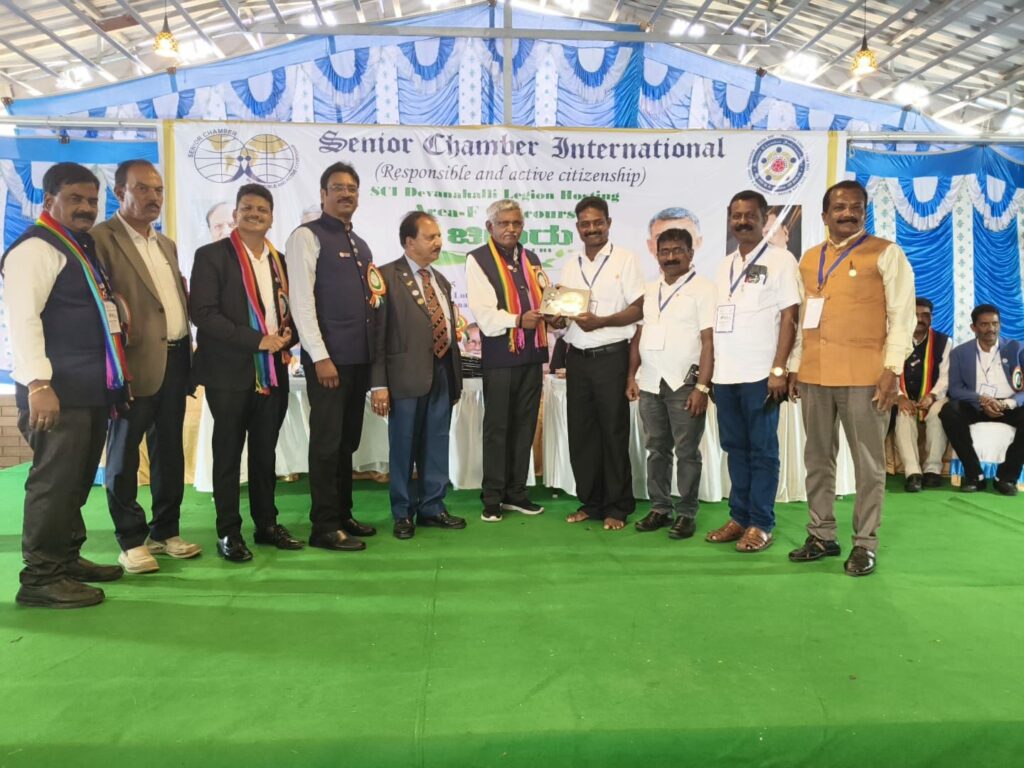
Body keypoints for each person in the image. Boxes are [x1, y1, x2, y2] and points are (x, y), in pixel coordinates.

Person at [1, 163, 128, 607]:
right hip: (55, 392)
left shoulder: (79, 245)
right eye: (75, 199)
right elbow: (23, 320)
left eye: (92, 200)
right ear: (49, 199)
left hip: (89, 388)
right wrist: (39, 384)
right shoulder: (35, 248)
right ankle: (40, 577)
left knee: (75, 481)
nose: (86, 208)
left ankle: (66, 559)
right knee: (54, 484)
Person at [787, 180, 915, 577]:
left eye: (856, 207)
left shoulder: (886, 253)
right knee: (817, 459)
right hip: (814, 374)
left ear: (864, 212)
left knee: (868, 464)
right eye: (839, 208)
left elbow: (902, 316)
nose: (848, 213)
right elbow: (801, 321)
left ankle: (864, 544)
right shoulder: (809, 259)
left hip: (866, 376)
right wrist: (794, 366)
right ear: (825, 215)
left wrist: (892, 370)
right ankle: (822, 535)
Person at [93, 159, 201, 574]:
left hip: (176, 360)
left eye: (158, 190)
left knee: (168, 450)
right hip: (131, 366)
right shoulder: (101, 240)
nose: (153, 197)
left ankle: (165, 531)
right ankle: (131, 540)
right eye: (142, 189)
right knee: (124, 454)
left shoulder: (166, 243)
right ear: (119, 192)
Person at [190, 183, 302, 562]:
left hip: (273, 373)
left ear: (271, 218)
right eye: (248, 208)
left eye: (262, 210)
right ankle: (228, 532)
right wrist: (258, 341)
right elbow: (203, 313)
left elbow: (293, 313)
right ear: (235, 214)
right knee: (227, 454)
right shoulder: (212, 256)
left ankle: (267, 525)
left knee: (265, 453)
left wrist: (286, 337)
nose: (255, 214)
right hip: (229, 373)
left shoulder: (280, 261)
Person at [285, 162, 380, 551]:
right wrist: (319, 355)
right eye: (338, 187)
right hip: (328, 361)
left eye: (352, 188)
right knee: (326, 443)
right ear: (323, 194)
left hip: (358, 360)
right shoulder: (307, 236)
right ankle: (323, 526)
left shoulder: (360, 244)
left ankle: (342, 514)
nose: (346, 194)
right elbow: (301, 302)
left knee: (347, 441)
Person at [704, 191, 799, 553]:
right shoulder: (723, 265)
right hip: (725, 376)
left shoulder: (781, 260)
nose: (742, 222)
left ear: (764, 220)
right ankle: (739, 517)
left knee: (762, 452)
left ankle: (762, 523)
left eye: (750, 215)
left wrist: (779, 368)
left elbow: (789, 317)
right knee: (735, 449)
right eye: (736, 216)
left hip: (761, 375)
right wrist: (712, 375)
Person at [370, 212, 466, 539]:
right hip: (403, 378)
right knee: (403, 446)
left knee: (437, 442)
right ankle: (403, 512)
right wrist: (379, 384)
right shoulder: (385, 277)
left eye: (439, 236)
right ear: (409, 242)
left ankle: (433, 507)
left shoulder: (441, 280)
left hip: (442, 373)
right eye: (430, 237)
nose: (438, 242)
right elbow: (377, 337)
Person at [554, 196, 643, 531]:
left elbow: (639, 308)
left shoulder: (625, 259)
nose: (592, 229)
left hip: (611, 358)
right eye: (585, 224)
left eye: (597, 223)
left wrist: (602, 321)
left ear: (608, 223)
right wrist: (556, 320)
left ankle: (617, 506)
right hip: (577, 359)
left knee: (613, 433)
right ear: (578, 227)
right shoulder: (570, 264)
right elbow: (564, 313)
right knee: (582, 434)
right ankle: (591, 503)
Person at [627, 228, 715, 540]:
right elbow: (638, 334)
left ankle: (687, 513)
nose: (670, 257)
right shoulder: (649, 290)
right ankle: (660, 508)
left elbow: (709, 341)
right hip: (651, 381)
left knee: (687, 452)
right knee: (656, 449)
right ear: (657, 255)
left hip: (684, 384)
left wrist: (702, 387)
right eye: (664, 251)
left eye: (678, 250)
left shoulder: (705, 289)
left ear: (691, 253)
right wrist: (631, 376)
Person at [466, 199, 548, 522]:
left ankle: (516, 492)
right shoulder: (478, 259)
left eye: (516, 223)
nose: (511, 229)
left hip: (532, 355)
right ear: (490, 227)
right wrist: (517, 320)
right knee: (498, 427)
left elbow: (544, 299)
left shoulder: (531, 259)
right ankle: (492, 497)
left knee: (525, 425)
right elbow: (485, 315)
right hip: (501, 356)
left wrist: (553, 315)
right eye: (504, 223)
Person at [939, 304, 1024, 496]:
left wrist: (1007, 403)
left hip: (1007, 404)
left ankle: (1006, 477)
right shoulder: (960, 353)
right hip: (975, 404)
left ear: (1000, 325)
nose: (990, 329)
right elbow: (955, 389)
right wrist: (982, 400)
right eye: (984, 324)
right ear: (973, 327)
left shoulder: (1017, 349)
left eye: (995, 323)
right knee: (949, 411)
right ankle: (974, 475)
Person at [894, 297, 950, 492]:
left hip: (934, 396)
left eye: (925, 315)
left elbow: (945, 376)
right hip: (902, 395)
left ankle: (933, 470)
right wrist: (899, 397)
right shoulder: (895, 341)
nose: (920, 319)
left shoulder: (944, 341)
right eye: (915, 315)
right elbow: (888, 371)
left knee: (937, 413)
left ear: (931, 318)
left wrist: (932, 396)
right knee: (904, 414)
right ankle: (913, 473)